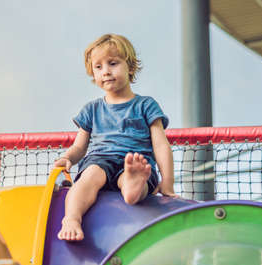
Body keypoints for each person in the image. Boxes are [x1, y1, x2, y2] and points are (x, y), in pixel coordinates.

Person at [54, 33, 176, 241]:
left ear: (130, 67)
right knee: (89, 176)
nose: (106, 72)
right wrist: (68, 158)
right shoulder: (92, 109)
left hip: (136, 161)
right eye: (98, 67)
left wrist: (168, 182)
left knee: (140, 179)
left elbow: (160, 145)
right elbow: (79, 147)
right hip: (100, 160)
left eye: (112, 63)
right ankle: (72, 218)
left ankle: (132, 184)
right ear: (93, 74)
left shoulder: (146, 105)